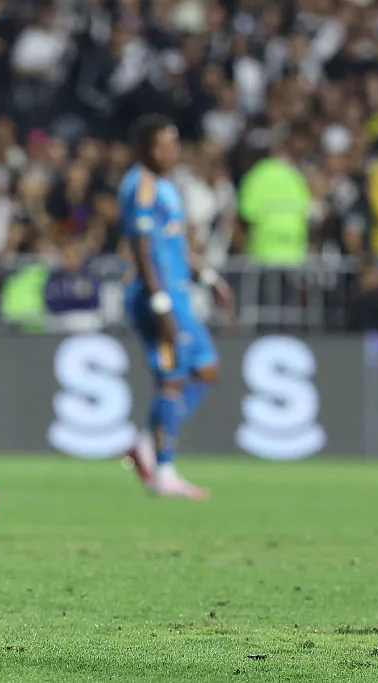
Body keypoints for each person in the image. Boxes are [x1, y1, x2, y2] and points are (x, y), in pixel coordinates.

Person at [118, 114, 235, 500]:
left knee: (206, 369)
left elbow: (177, 247)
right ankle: (164, 470)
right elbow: (143, 248)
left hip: (180, 296)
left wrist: (211, 278)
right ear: (143, 149)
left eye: (173, 145)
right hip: (158, 299)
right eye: (161, 145)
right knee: (170, 380)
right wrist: (159, 302)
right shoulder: (141, 186)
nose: (170, 152)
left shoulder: (167, 186)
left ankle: (146, 445)